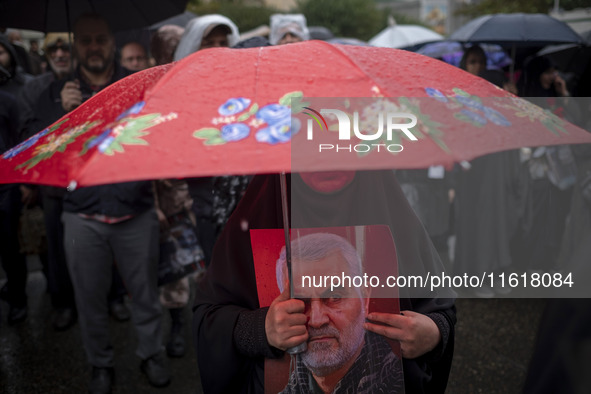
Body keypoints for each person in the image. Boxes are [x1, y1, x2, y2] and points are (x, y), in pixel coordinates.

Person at [193, 171, 456, 393]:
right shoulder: (261, 207)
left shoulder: (388, 203)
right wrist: (260, 329)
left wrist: (433, 335)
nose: (317, 319)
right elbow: (209, 318)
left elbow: (438, 307)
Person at [29, 13, 170, 393]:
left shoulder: (136, 84)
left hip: (134, 209)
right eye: (86, 40)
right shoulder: (54, 92)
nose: (94, 47)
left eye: (101, 40)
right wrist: (63, 113)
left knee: (145, 294)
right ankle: (100, 364)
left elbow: (158, 137)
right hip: (81, 216)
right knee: (89, 298)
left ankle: (151, 354)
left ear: (112, 43)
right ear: (77, 46)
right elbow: (37, 154)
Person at [275, 232, 403, 393]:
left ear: (365, 298)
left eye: (335, 297)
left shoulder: (405, 380)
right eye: (301, 302)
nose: (317, 320)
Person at [0, 90, 28, 326]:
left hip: (6, 187)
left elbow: (22, 141)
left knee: (10, 247)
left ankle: (18, 300)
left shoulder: (8, 101)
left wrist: (24, 182)